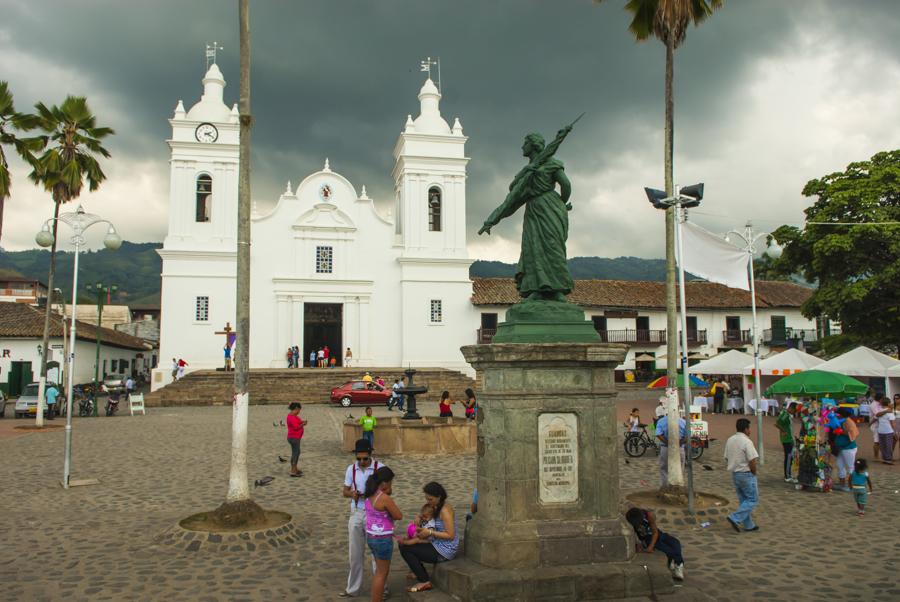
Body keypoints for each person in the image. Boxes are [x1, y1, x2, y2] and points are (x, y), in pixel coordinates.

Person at [340, 439, 384, 598]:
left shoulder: (381, 468)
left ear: (371, 455)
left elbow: (389, 490)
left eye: (365, 458)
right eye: (358, 459)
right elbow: (344, 491)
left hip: (376, 514)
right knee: (355, 553)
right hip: (357, 512)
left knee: (377, 554)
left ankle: (382, 589)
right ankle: (352, 589)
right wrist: (352, 494)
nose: (361, 462)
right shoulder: (351, 469)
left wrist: (374, 493)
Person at [399, 482, 459, 594]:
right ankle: (417, 572)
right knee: (404, 543)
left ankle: (424, 580)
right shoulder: (435, 506)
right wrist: (419, 518)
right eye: (427, 499)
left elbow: (451, 535)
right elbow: (428, 518)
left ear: (439, 497)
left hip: (445, 550)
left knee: (406, 549)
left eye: (430, 499)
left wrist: (430, 532)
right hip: (436, 542)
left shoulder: (445, 511)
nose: (428, 502)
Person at [364, 466, 401, 602]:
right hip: (383, 540)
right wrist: (388, 493)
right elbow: (398, 515)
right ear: (386, 482)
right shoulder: (384, 498)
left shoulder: (369, 494)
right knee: (381, 574)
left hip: (371, 537)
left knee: (379, 572)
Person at [625, 507, 684, 581]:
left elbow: (655, 532)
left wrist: (651, 546)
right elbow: (632, 535)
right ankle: (678, 565)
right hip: (646, 540)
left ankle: (673, 562)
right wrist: (638, 544)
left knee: (675, 543)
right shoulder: (629, 519)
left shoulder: (648, 515)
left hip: (657, 534)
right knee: (668, 550)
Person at [725, 418, 760, 533]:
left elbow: (726, 457)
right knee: (752, 499)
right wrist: (753, 472)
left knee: (743, 500)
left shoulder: (730, 440)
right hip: (746, 473)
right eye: (749, 428)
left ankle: (748, 524)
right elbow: (752, 460)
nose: (750, 431)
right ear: (746, 429)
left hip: (735, 474)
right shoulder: (747, 442)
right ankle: (735, 517)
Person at [656, 411, 686, 488]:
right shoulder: (683, 421)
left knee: (664, 468)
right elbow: (688, 436)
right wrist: (678, 444)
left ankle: (665, 487)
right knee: (680, 467)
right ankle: (678, 486)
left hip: (665, 448)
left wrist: (668, 443)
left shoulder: (661, 421)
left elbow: (658, 434)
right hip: (680, 448)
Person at [832, 407, 860, 492]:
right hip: (842, 447)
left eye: (837, 414)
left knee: (851, 467)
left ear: (841, 415)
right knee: (839, 464)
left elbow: (853, 433)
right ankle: (842, 484)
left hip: (849, 448)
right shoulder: (842, 421)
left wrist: (841, 431)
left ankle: (851, 486)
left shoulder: (848, 422)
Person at [775, 401, 798, 483]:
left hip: (789, 438)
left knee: (790, 457)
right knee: (788, 457)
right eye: (795, 410)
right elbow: (777, 423)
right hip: (786, 439)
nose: (795, 412)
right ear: (791, 408)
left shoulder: (788, 414)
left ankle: (788, 474)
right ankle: (787, 476)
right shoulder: (785, 414)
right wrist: (783, 431)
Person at [871, 392, 895, 464]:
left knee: (882, 444)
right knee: (886, 444)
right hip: (885, 430)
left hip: (881, 429)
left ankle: (885, 458)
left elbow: (876, 416)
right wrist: (895, 431)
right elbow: (892, 423)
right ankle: (887, 459)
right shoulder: (888, 412)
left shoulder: (880, 408)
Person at [286, 402, 307, 477]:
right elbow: (296, 427)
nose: (299, 412)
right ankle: (293, 470)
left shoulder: (293, 416)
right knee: (296, 453)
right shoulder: (291, 417)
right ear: (296, 409)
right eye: (299, 410)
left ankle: (295, 468)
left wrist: (302, 422)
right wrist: (303, 424)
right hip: (294, 438)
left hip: (295, 437)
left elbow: (298, 422)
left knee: (296, 452)